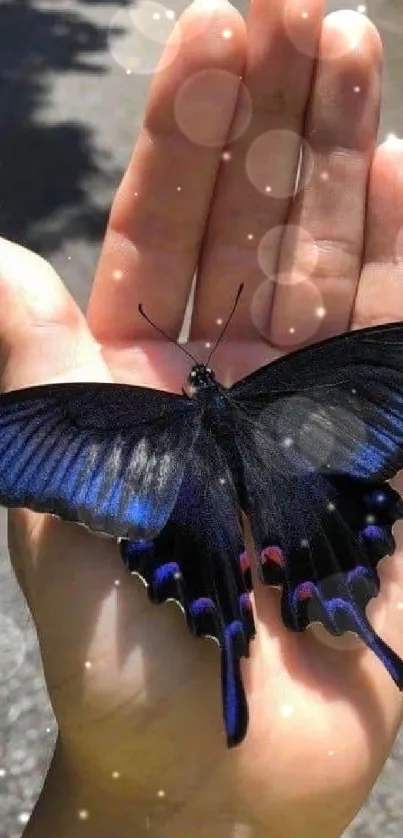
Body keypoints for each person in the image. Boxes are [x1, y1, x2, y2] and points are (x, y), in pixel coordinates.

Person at [2, 0, 403, 835]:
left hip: (197, 512)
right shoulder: (290, 382)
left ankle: (243, 653)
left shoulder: (126, 420)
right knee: (311, 545)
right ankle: (330, 626)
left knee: (252, 563)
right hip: (288, 497)